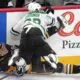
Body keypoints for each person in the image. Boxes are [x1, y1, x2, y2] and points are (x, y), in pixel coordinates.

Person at [8, 2, 67, 75]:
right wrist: (51, 15)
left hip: (24, 37)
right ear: (38, 8)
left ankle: (19, 60)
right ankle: (50, 55)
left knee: (26, 65)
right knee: (44, 48)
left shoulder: (26, 17)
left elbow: (13, 32)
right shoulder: (43, 14)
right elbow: (55, 22)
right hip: (37, 34)